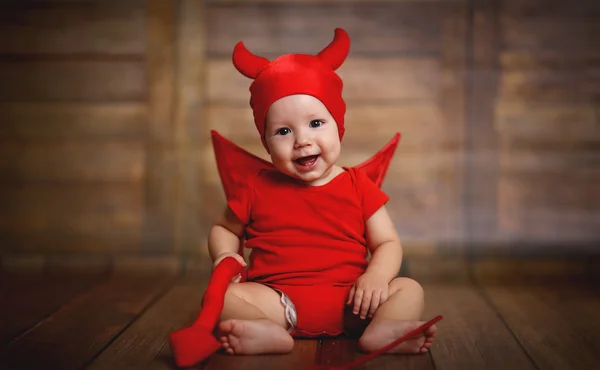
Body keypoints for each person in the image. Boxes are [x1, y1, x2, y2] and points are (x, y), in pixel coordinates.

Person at [207, 28, 437, 356]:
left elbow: (386, 243)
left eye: (316, 123)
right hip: (278, 301)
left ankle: (382, 330)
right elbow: (222, 228)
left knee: (408, 288)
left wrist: (375, 276)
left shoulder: (359, 185)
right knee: (221, 296)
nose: (302, 140)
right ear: (266, 142)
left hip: (355, 303)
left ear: (338, 125)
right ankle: (267, 332)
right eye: (284, 131)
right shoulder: (256, 187)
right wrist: (224, 255)